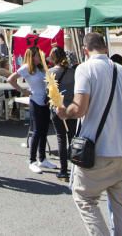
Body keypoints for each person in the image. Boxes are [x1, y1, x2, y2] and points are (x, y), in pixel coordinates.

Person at [56, 32, 122, 236]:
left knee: (84, 198)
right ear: (105, 47)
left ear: (85, 50)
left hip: (99, 151)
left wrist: (63, 111)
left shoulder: (85, 69)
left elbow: (79, 109)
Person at [9, 45, 56, 173]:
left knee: (44, 130)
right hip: (35, 101)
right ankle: (32, 160)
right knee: (36, 131)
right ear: (31, 56)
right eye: (37, 55)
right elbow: (11, 79)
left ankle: (42, 159)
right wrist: (22, 90)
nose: (39, 57)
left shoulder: (41, 67)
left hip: (46, 101)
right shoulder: (26, 68)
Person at [48, 47, 77, 181]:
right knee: (72, 137)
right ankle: (76, 169)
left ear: (54, 58)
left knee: (61, 138)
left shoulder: (51, 72)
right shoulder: (72, 72)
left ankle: (63, 170)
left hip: (58, 108)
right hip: (71, 107)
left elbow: (48, 92)